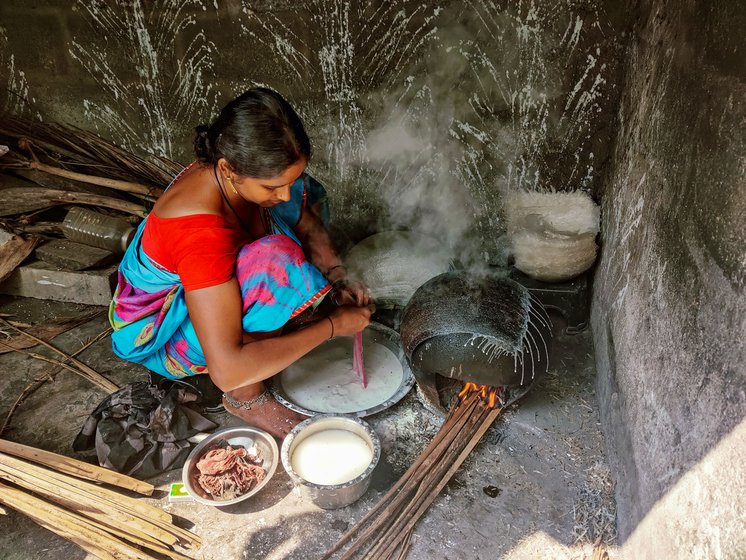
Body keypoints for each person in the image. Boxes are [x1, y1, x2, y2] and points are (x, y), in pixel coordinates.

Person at [109, 87, 373, 439]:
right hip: (164, 336)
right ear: (227, 168)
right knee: (276, 269)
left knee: (305, 192)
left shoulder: (246, 178)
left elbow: (304, 219)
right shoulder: (199, 232)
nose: (282, 194)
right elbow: (228, 368)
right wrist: (332, 327)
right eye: (271, 187)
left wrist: (338, 275)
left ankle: (273, 327)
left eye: (287, 181)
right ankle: (247, 400)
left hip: (210, 294)